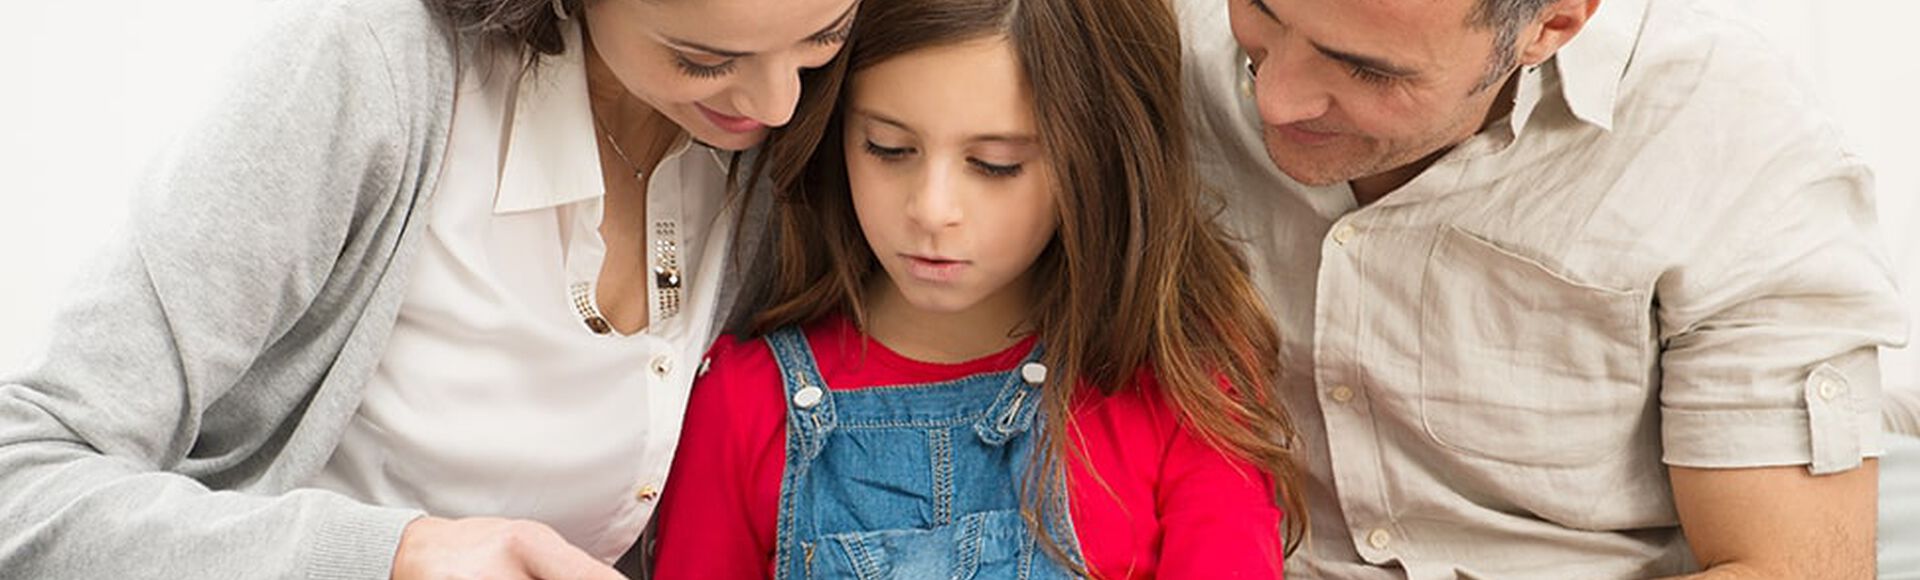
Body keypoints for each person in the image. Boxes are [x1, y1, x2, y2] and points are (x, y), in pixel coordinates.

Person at [0, 0, 858, 577]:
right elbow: (22, 482)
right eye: (705, 59)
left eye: (825, 34)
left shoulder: (801, 140)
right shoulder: (368, 73)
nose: (780, 103)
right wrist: (396, 555)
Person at [1176, 0, 1910, 576]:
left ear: (1550, 25)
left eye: (1367, 69)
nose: (1277, 99)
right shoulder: (1158, 45)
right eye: (1263, 12)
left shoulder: (1726, 137)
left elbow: (1790, 568)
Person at [648, 0, 1307, 577]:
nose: (932, 210)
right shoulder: (743, 402)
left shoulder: (1184, 384)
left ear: (1098, 160)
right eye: (888, 147)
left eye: (996, 165)